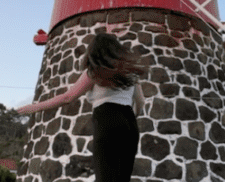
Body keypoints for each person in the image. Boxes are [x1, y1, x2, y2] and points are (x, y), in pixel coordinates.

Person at [17, 33, 146, 182]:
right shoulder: (130, 72)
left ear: (94, 51)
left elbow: (68, 97)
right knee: (122, 177)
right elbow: (141, 102)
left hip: (107, 117)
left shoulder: (95, 71)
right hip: (129, 121)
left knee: (105, 176)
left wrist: (34, 107)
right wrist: (130, 118)